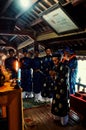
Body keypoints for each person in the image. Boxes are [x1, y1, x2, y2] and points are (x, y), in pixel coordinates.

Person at [51, 53, 70, 126]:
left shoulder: (65, 67)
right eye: (53, 60)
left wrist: (55, 76)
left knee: (62, 103)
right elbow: (54, 76)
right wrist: (52, 75)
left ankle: (64, 121)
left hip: (63, 89)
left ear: (59, 60)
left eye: (55, 60)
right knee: (56, 102)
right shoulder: (55, 67)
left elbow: (64, 79)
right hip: (57, 88)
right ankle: (57, 117)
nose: (54, 62)